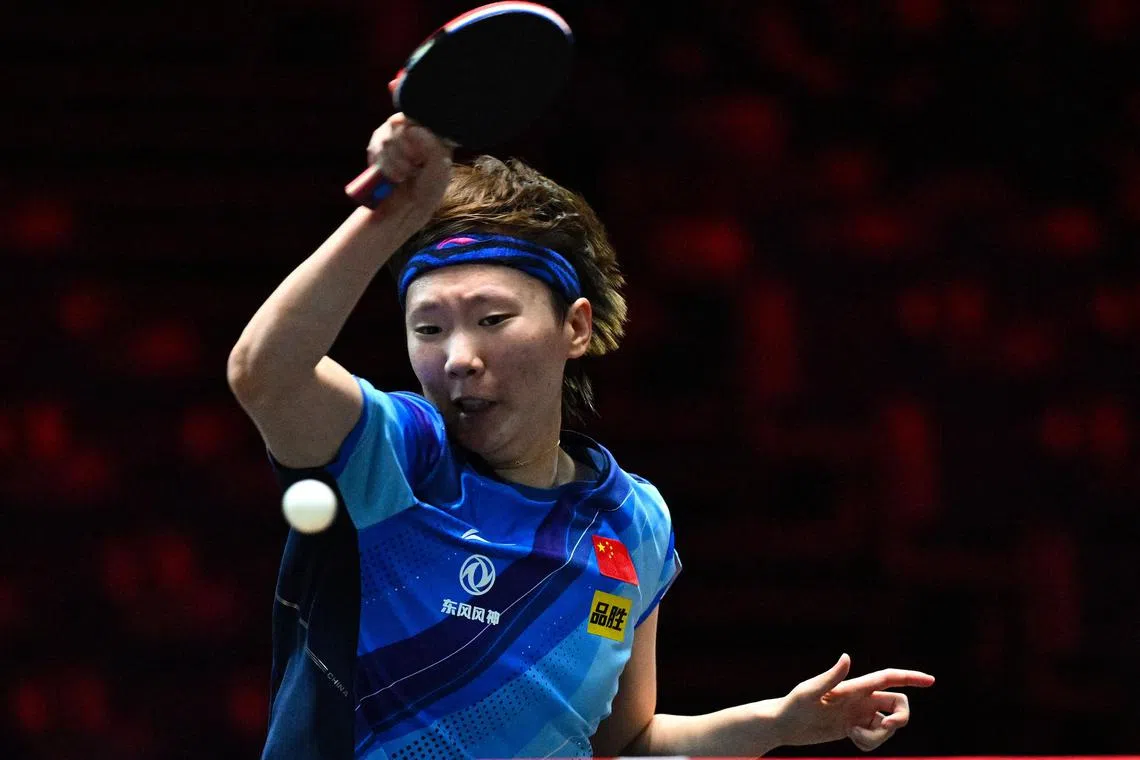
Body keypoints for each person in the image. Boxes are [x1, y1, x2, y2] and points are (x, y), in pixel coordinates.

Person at [228, 113, 935, 759]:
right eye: (429, 328)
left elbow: (624, 742)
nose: (458, 357)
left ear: (576, 327)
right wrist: (395, 211)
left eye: (493, 319)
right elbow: (263, 373)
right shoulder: (396, 458)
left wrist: (777, 726)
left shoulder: (633, 522)